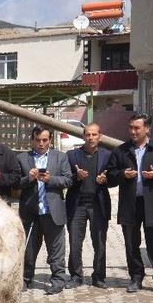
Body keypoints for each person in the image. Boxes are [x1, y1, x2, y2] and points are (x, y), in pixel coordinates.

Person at [107, 113, 153, 295]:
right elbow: (111, 177)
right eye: (130, 127)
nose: (133, 131)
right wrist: (123, 174)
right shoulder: (120, 151)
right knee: (131, 244)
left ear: (147, 128)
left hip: (152, 203)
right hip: (130, 205)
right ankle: (136, 278)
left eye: (137, 128)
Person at [16, 126, 73, 295]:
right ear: (32, 140)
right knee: (29, 250)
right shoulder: (22, 158)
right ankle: (26, 279)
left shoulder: (60, 157)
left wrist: (51, 179)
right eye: (38, 140)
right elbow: (15, 183)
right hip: (31, 212)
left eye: (45, 140)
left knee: (56, 250)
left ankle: (58, 280)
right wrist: (29, 178)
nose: (41, 143)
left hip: (52, 211)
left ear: (50, 140)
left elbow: (69, 180)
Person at [65, 123, 112, 289]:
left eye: (94, 135)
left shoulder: (107, 155)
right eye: (88, 135)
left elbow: (114, 178)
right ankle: (76, 276)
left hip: (98, 205)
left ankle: (99, 277)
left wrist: (106, 180)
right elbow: (66, 178)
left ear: (100, 136)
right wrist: (76, 176)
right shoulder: (72, 155)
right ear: (83, 136)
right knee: (75, 243)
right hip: (77, 205)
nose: (91, 138)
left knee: (99, 243)